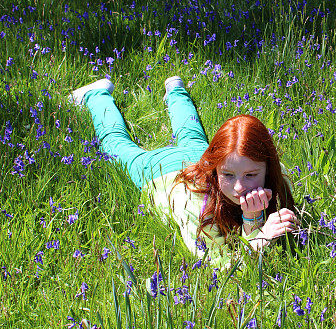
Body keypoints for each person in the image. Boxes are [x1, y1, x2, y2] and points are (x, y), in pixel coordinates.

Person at [69, 76, 298, 268]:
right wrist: (259, 239)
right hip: (158, 172)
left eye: (250, 175)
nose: (239, 187)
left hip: (196, 158)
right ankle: (97, 94)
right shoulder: (191, 200)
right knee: (117, 144)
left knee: (192, 136)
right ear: (215, 165)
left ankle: (176, 90)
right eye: (228, 175)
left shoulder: (276, 176)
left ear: (268, 168)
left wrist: (252, 221)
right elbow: (219, 265)